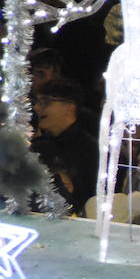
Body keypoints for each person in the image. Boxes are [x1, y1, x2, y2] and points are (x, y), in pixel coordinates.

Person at [31, 78, 100, 213]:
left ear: (69, 107)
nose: (37, 108)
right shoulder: (38, 147)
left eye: (45, 102)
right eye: (37, 102)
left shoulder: (90, 150)